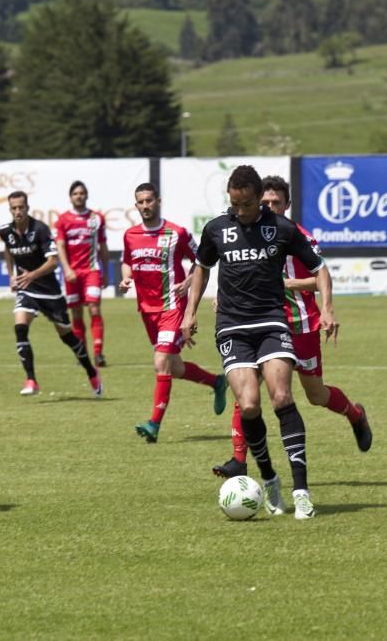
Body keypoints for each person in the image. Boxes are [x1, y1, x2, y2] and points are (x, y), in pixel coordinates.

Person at [181, 165, 337, 520]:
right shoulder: (217, 228)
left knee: (281, 396)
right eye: (234, 204)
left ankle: (301, 492)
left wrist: (326, 308)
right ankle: (269, 479)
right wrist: (190, 312)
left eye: (246, 204)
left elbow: (320, 268)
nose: (240, 211)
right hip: (233, 327)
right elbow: (202, 267)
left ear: (257, 197)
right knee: (249, 405)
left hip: (271, 321)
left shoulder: (281, 228)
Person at [212, 175, 371, 479]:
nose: (271, 206)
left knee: (316, 395)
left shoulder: (297, 235)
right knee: (247, 387)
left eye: (276, 202)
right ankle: (238, 460)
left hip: (300, 324)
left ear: (287, 204)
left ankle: (355, 414)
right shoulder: (246, 232)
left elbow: (319, 277)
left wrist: (306, 296)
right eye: (266, 202)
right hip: (260, 322)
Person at [121, 182, 228, 443]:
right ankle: (216, 382)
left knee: (161, 362)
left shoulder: (176, 232)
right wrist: (125, 279)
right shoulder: (130, 235)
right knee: (175, 367)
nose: (145, 206)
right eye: (140, 202)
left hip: (172, 308)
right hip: (147, 310)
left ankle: (154, 424)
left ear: (158, 201)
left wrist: (188, 283)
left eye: (149, 200)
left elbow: (201, 260)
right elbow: (126, 261)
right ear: (136, 205)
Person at [0, 190, 103, 398]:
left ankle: (92, 372)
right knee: (20, 328)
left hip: (49, 292)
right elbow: (8, 251)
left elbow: (53, 261)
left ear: (28, 208)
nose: (18, 211)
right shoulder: (5, 231)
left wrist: (33, 275)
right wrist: (13, 275)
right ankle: (31, 380)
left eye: (21, 207)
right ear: (10, 210)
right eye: (14, 208)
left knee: (67, 337)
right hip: (26, 290)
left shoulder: (40, 229)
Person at [55, 181, 110, 367]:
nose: (79, 196)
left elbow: (103, 246)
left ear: (87, 195)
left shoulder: (97, 218)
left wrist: (107, 271)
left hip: (91, 270)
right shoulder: (63, 220)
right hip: (72, 273)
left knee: (94, 308)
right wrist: (67, 269)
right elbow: (60, 246)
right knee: (76, 313)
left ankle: (98, 353)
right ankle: (82, 354)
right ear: (70, 197)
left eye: (82, 193)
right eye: (75, 193)